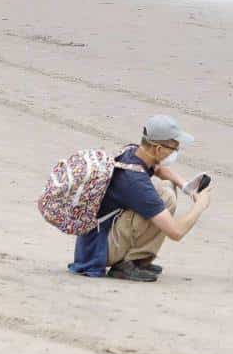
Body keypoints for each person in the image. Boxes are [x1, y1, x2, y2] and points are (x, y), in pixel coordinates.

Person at [69, 115, 212, 282]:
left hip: (95, 241)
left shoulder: (133, 152)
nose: (176, 152)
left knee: (166, 190)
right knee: (164, 198)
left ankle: (137, 259)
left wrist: (186, 186)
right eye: (174, 148)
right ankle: (128, 263)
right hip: (99, 251)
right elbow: (176, 232)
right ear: (158, 149)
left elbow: (158, 169)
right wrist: (200, 205)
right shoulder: (135, 181)